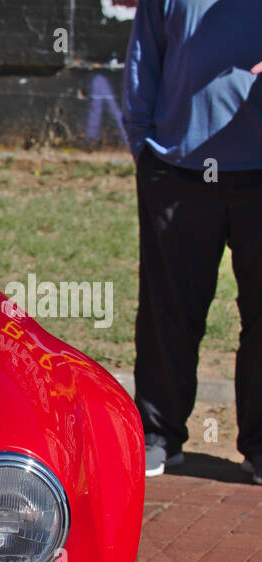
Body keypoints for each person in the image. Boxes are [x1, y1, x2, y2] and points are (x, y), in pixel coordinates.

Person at [123, 0, 262, 483]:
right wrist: (143, 147)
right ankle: (158, 436)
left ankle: (259, 446)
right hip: (176, 172)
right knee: (168, 310)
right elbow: (144, 57)